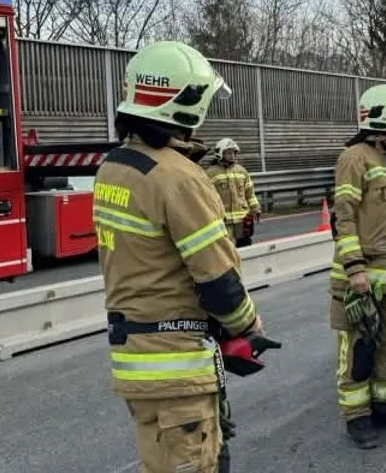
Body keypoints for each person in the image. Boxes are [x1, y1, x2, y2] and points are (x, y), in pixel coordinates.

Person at [94, 40, 268, 473]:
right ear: (185, 104)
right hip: (178, 367)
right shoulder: (179, 178)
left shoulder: (114, 167)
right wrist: (249, 326)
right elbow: (218, 281)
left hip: (136, 358)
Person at [329, 83, 386, 449]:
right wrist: (355, 269)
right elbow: (344, 218)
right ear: (382, 116)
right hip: (361, 277)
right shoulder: (354, 158)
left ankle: (381, 405)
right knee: (359, 352)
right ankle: (356, 416)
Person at [205, 138, 261, 247]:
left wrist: (255, 208)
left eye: (234, 152)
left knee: (246, 247)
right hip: (223, 222)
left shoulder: (241, 171)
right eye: (229, 152)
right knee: (227, 250)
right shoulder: (210, 173)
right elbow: (207, 198)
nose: (232, 155)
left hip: (242, 220)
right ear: (220, 153)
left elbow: (249, 193)